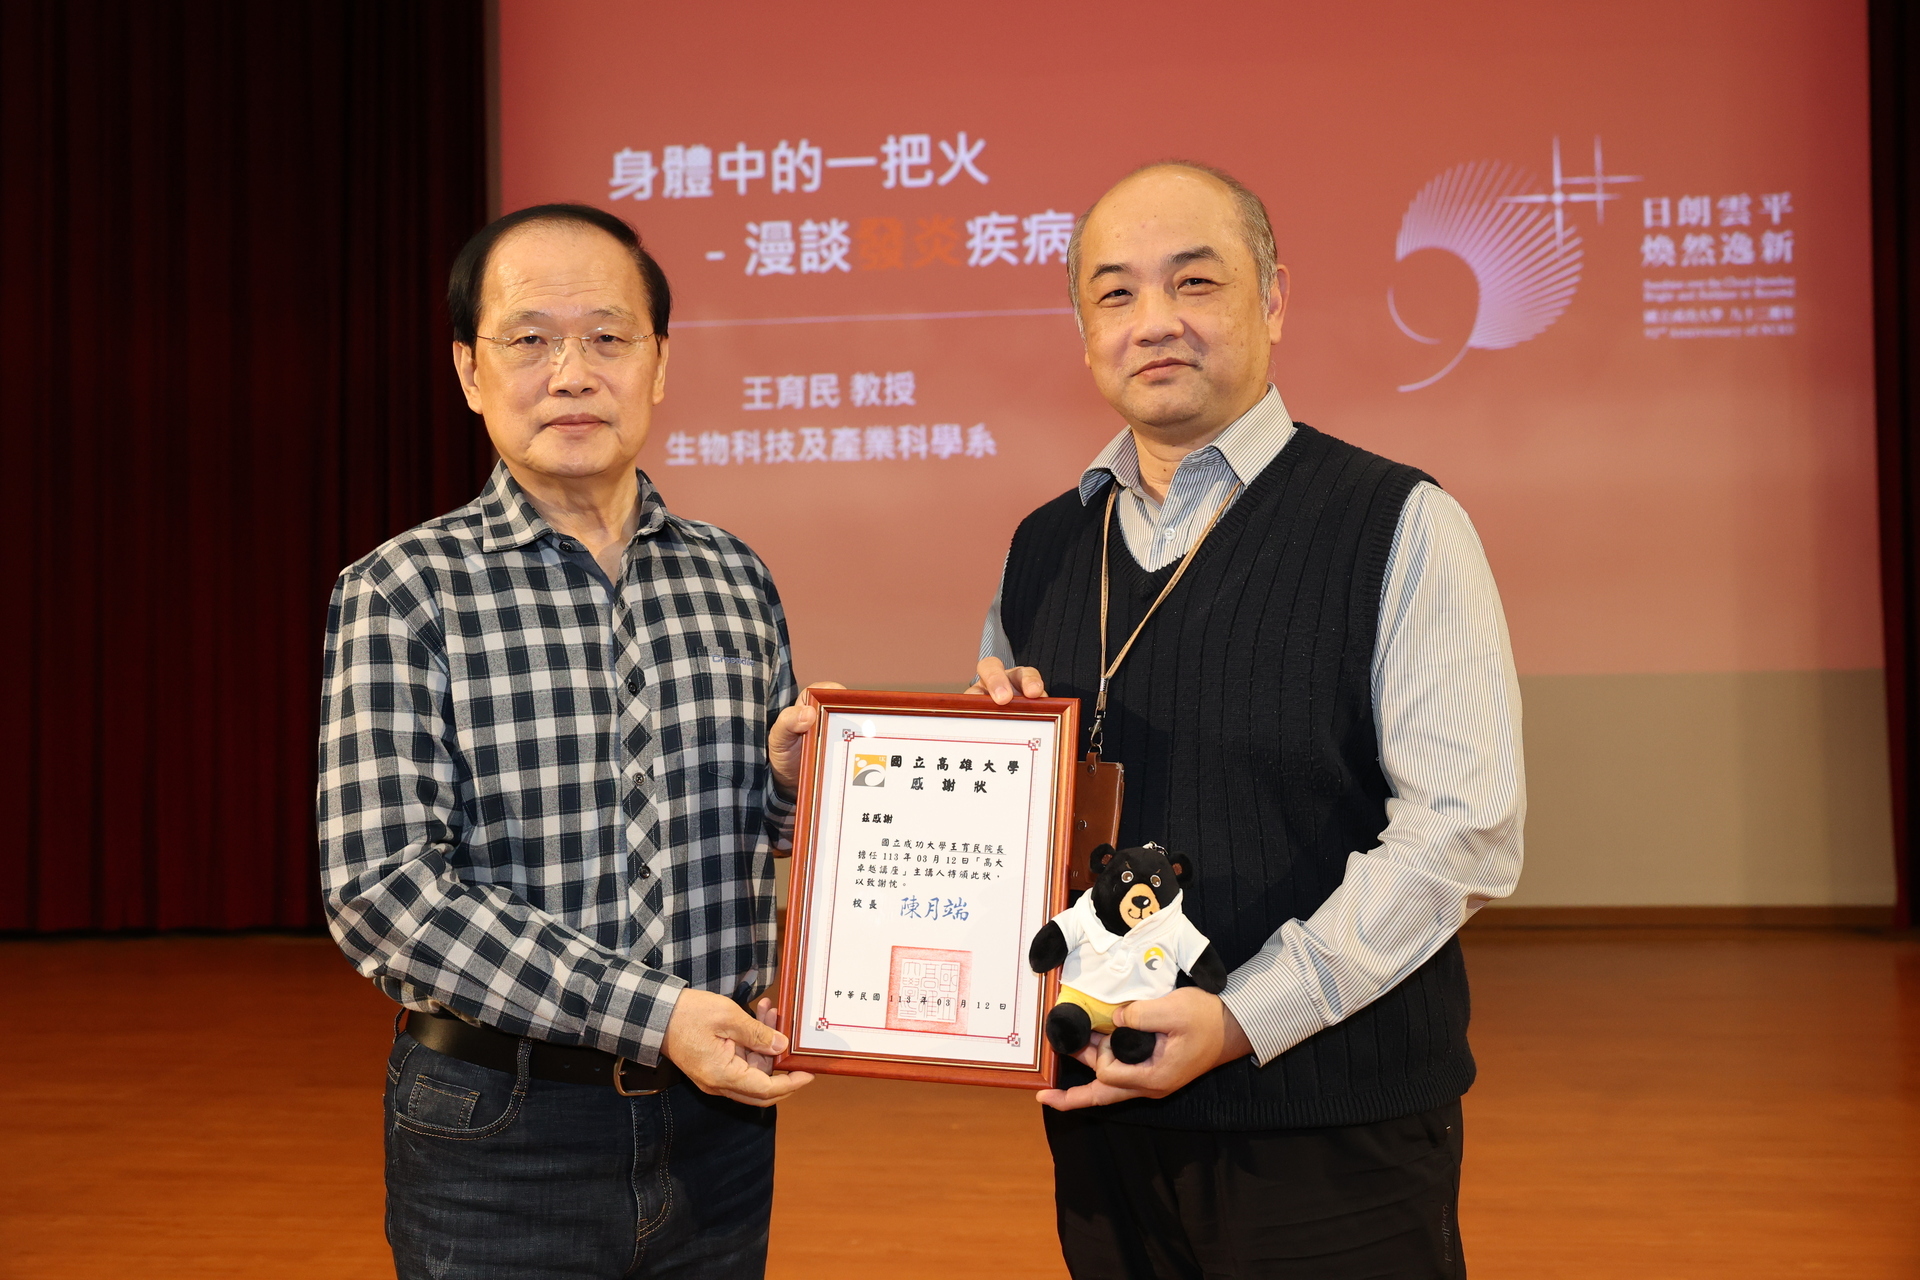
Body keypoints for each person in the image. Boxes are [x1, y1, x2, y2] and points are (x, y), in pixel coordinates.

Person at [970, 162, 1524, 1278]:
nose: (1156, 322)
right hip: (1104, 1121)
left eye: (1196, 282)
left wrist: (1241, 1016)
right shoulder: (1041, 547)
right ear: (1082, 328)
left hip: (1328, 1133)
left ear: (1273, 301)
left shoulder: (1398, 523)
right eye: (1116, 293)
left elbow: (1462, 829)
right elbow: (1009, 844)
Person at [318, 203, 821, 1279]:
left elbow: (760, 839)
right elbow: (384, 892)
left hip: (715, 1131)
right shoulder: (403, 591)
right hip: (501, 1131)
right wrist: (655, 1013)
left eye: (607, 336)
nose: (572, 372)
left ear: (660, 361)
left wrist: (792, 789)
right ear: (467, 368)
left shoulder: (734, 577)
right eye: (530, 337)